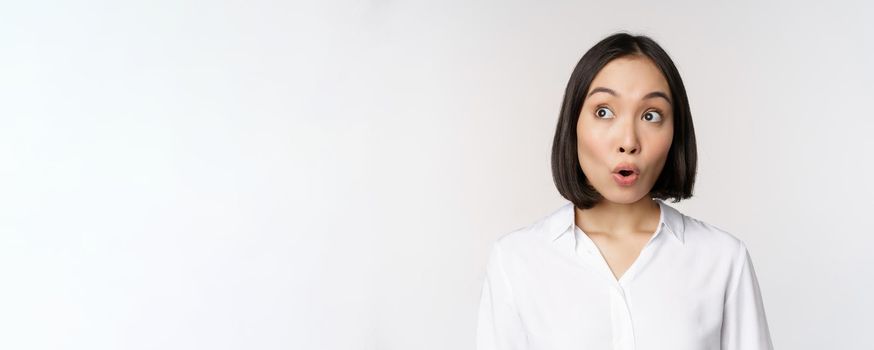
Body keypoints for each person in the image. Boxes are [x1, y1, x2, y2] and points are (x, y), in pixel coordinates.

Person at [475, 32, 774, 350]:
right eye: (603, 112)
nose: (628, 141)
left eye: (651, 115)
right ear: (573, 123)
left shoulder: (722, 260)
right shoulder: (516, 261)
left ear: (676, 132)